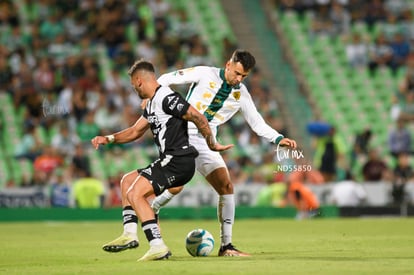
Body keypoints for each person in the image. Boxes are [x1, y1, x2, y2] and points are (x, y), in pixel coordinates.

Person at [102, 49, 297, 257]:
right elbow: (168, 78)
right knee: (174, 186)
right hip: (182, 134)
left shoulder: (242, 94)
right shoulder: (205, 73)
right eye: (237, 73)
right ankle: (151, 214)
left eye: (244, 76)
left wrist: (278, 138)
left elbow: (257, 123)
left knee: (226, 186)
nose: (239, 79)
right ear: (228, 64)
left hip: (206, 140)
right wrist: (153, 97)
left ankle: (226, 246)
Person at [92, 60, 232, 261]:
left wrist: (211, 143)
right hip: (171, 161)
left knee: (136, 193)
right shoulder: (152, 103)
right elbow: (134, 131)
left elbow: (197, 116)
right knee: (127, 181)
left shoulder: (167, 97)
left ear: (139, 81)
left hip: (178, 160)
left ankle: (157, 245)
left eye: (133, 85)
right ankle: (130, 234)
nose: (134, 89)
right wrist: (109, 138)